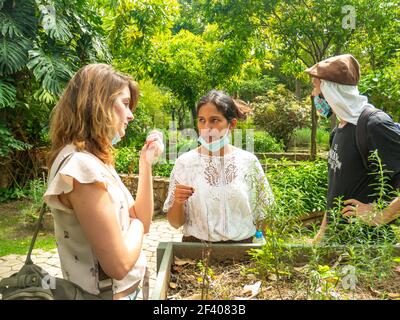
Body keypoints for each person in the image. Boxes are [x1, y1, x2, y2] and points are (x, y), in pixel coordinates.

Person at [44, 64, 163, 300]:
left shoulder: (95, 161)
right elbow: (118, 265)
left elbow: (143, 218)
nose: (131, 115)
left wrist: (145, 163)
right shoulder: (81, 168)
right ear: (97, 103)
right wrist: (136, 224)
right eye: (125, 103)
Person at [305, 54, 400, 242]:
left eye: (316, 86)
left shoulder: (374, 125)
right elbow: (336, 191)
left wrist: (381, 215)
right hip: (337, 246)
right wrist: (321, 236)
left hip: (366, 250)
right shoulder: (339, 130)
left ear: (331, 90)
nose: (313, 95)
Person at [163, 90, 274, 243]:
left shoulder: (248, 162)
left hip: (243, 253)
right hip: (196, 253)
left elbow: (266, 213)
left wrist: (261, 251)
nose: (206, 127)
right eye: (202, 120)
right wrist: (178, 201)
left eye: (214, 120)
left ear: (232, 124)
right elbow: (175, 223)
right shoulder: (185, 164)